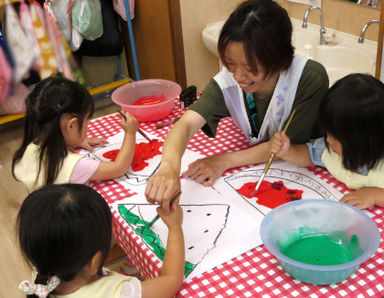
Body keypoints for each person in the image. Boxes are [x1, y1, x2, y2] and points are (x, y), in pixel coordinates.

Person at [145, 0, 329, 211]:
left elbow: (285, 148)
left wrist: (223, 161)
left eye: (250, 67)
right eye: (230, 64)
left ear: (278, 58)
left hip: (309, 174)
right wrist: (168, 167)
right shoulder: (228, 82)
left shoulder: (308, 78)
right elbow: (185, 125)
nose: (239, 76)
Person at [17, 184, 185, 297]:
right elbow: (171, 281)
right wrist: (175, 228)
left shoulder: (41, 272)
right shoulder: (118, 292)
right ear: (93, 261)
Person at [269, 73, 384, 209]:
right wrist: (288, 151)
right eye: (327, 132)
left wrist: (375, 195)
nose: (328, 140)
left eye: (336, 135)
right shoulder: (330, 149)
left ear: (364, 139)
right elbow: (310, 155)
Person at [12, 77, 138, 192]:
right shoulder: (74, 165)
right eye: (87, 120)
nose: (88, 125)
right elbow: (118, 168)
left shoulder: (30, 147)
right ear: (71, 125)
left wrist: (77, 140)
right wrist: (130, 133)